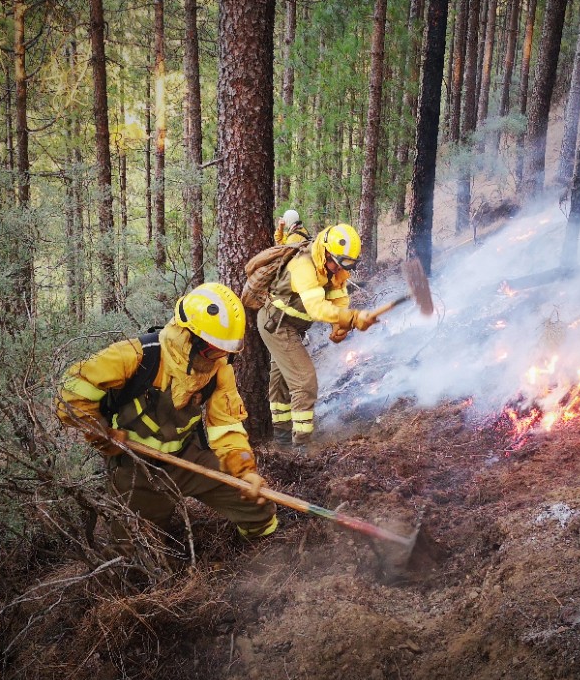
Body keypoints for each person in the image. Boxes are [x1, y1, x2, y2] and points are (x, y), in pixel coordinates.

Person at [57, 283, 277, 553]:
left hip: (188, 457)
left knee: (258, 506)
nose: (220, 358)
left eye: (226, 351)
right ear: (189, 337)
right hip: (137, 467)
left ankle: (260, 552)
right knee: (135, 551)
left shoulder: (219, 369)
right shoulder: (136, 356)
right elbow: (70, 391)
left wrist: (245, 471)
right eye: (213, 350)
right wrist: (99, 433)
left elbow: (227, 425)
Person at [258, 223, 376, 450]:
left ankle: (281, 438)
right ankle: (302, 446)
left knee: (282, 380)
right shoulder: (304, 265)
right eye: (334, 262)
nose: (335, 269)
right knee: (304, 381)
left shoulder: (333, 267)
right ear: (325, 251)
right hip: (277, 325)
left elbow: (339, 299)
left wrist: (338, 326)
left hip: (292, 327)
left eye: (342, 265)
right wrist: (351, 318)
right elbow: (316, 308)